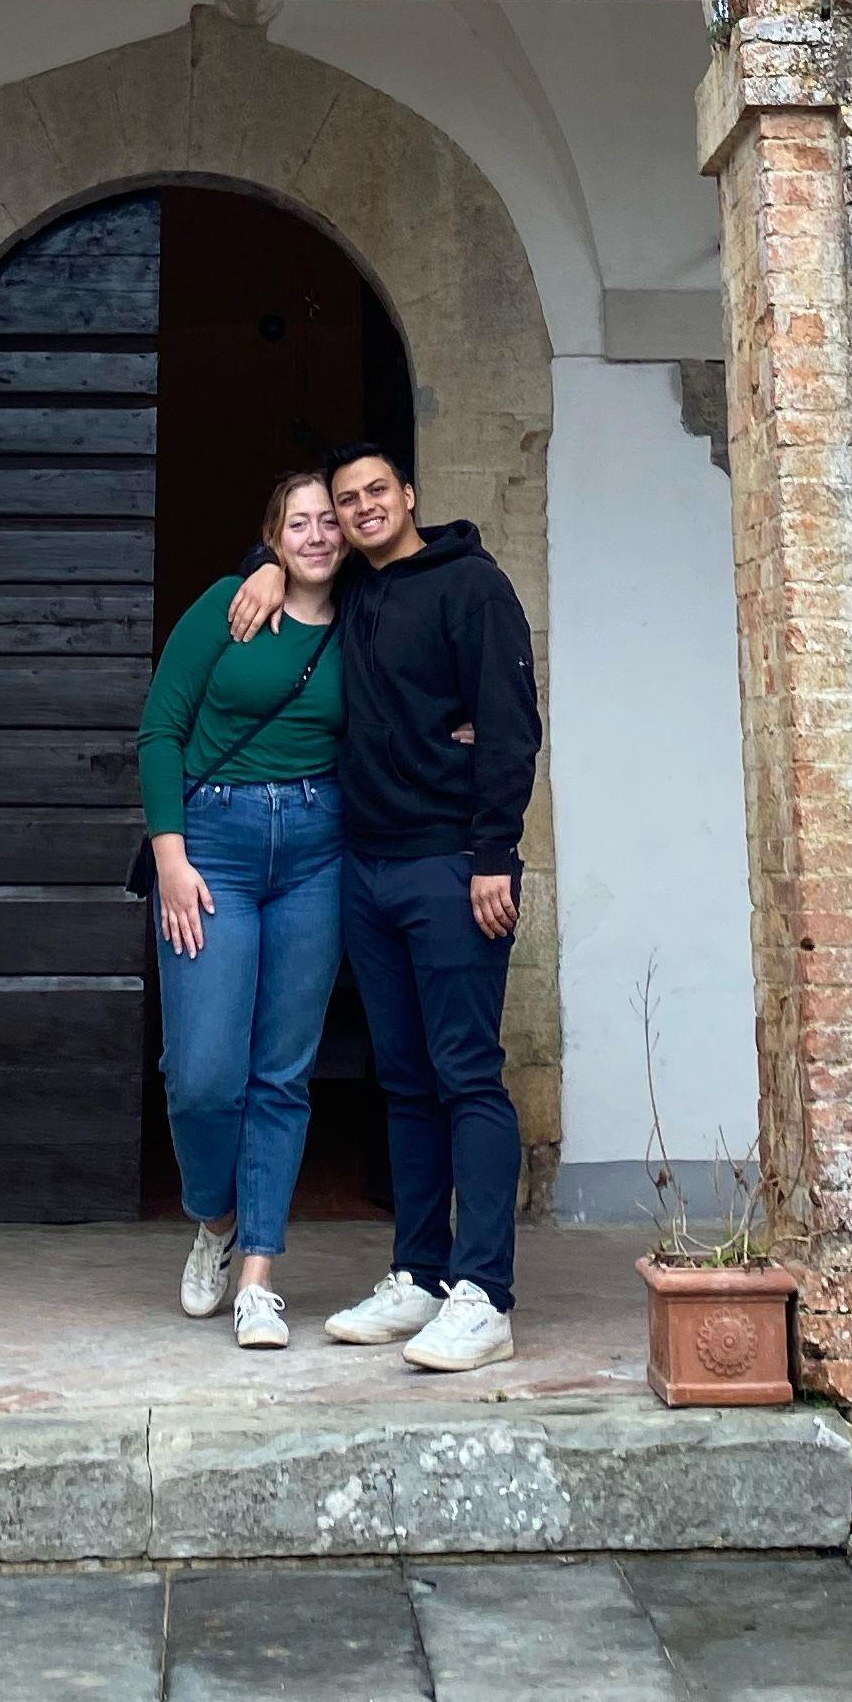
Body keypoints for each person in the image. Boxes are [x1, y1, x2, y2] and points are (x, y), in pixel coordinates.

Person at [230, 439, 541, 1375]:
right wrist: (263, 571)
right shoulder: (356, 591)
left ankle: (485, 1295)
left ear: (408, 494)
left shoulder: (472, 587)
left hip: (454, 866)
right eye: (344, 499)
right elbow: (303, 565)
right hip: (367, 869)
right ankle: (421, 1274)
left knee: (467, 1076)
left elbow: (514, 724)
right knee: (403, 1082)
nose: (359, 509)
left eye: (374, 492)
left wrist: (496, 856)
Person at [135, 469, 352, 1349]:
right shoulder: (233, 603)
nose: (315, 534)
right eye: (295, 523)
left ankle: (260, 1272)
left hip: (317, 846)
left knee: (282, 1072)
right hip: (213, 844)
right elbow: (160, 728)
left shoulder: (366, 621)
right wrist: (170, 856)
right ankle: (214, 1218)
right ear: (272, 536)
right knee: (202, 1073)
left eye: (327, 520)